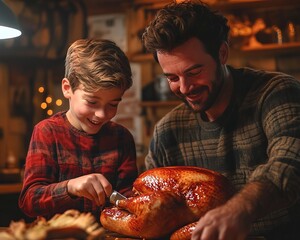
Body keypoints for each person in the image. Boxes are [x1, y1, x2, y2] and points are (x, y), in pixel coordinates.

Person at [142, 1, 300, 240]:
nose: (184, 88)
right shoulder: (168, 131)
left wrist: (239, 210)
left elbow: (290, 163)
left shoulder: (276, 92)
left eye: (194, 72)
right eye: (172, 77)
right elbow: (155, 211)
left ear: (222, 53)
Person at [19, 39, 138, 220]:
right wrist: (70, 187)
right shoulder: (47, 132)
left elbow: (127, 198)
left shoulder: (122, 138)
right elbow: (29, 201)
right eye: (92, 102)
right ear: (67, 89)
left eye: (113, 104)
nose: (101, 114)